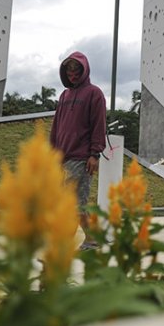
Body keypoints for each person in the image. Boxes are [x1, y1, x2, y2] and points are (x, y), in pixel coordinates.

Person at [50, 51, 106, 249]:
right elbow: (56, 126)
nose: (72, 73)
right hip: (63, 157)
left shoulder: (94, 93)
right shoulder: (64, 95)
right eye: (69, 70)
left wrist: (95, 154)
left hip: (82, 158)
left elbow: (99, 125)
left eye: (76, 69)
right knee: (75, 203)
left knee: (72, 202)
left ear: (84, 69)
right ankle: (92, 238)